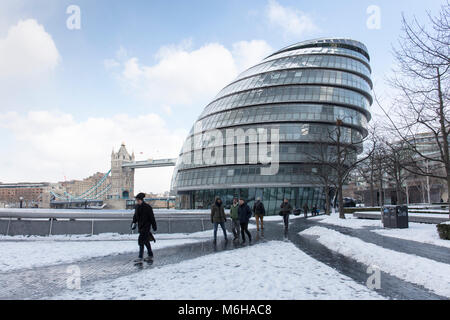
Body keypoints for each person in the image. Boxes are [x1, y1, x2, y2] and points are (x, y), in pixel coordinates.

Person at [131, 193, 157, 263]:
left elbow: (152, 217)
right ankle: (150, 254)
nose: (137, 201)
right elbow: (135, 216)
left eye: (138, 200)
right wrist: (133, 223)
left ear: (141, 200)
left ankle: (140, 257)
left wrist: (154, 226)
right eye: (137, 200)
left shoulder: (147, 207)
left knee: (141, 240)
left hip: (146, 226)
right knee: (145, 241)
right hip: (140, 226)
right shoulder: (137, 207)